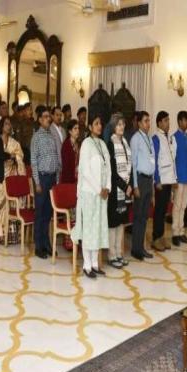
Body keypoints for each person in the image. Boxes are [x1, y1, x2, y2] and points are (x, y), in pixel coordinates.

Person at [72, 115, 111, 278]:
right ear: (89, 127)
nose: (99, 126)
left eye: (100, 123)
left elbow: (108, 168)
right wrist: (98, 189)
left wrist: (107, 187)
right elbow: (86, 171)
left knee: (98, 228)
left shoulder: (102, 144)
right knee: (89, 229)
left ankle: (95, 264)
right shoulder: (86, 144)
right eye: (96, 123)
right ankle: (87, 265)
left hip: (102, 195)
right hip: (89, 193)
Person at [31, 106, 60, 259]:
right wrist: (36, 182)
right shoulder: (36, 137)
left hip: (52, 179)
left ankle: (46, 243)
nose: (49, 119)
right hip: (41, 179)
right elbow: (33, 161)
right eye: (46, 116)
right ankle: (38, 246)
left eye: (49, 116)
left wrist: (57, 179)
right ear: (40, 119)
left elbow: (56, 157)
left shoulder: (52, 136)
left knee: (48, 213)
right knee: (40, 213)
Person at [0, 116, 25, 244]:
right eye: (6, 124)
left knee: (11, 204)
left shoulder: (14, 142)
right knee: (0, 205)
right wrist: (11, 155)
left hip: (12, 176)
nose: (8, 126)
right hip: (1, 177)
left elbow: (20, 154)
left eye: (9, 124)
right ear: (1, 126)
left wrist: (15, 157)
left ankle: (10, 234)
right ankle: (0, 233)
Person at [106, 115, 132, 269]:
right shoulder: (110, 144)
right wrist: (124, 186)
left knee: (121, 223)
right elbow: (112, 172)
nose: (121, 127)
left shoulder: (125, 143)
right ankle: (111, 255)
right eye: (118, 124)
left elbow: (129, 166)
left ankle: (119, 254)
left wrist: (130, 185)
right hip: (115, 191)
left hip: (125, 190)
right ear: (113, 127)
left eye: (123, 124)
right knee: (113, 223)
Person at [130, 111, 155, 261]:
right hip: (139, 180)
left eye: (149, 120)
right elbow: (133, 164)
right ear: (139, 123)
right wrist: (135, 186)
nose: (148, 123)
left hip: (148, 180)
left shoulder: (149, 138)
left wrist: (152, 185)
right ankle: (135, 249)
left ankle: (141, 247)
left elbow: (152, 161)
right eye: (145, 121)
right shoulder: (135, 139)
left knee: (145, 217)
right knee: (138, 216)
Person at [152, 111, 177, 251]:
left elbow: (171, 159)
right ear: (159, 123)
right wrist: (157, 180)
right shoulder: (156, 138)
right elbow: (155, 160)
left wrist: (174, 179)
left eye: (168, 120)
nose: (168, 123)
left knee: (164, 210)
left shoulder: (169, 137)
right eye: (166, 120)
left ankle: (162, 236)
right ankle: (156, 238)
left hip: (169, 179)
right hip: (161, 180)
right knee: (159, 210)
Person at [171, 111, 187, 246]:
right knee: (177, 206)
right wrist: (174, 178)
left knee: (183, 206)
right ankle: (175, 233)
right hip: (178, 178)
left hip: (186, 177)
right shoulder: (174, 138)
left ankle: (181, 231)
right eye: (185, 120)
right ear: (179, 121)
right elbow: (172, 160)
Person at [61, 120, 81, 184]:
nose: (78, 131)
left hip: (77, 178)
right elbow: (66, 167)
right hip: (68, 179)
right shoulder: (66, 145)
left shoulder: (78, 144)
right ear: (70, 131)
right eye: (75, 128)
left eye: (78, 128)